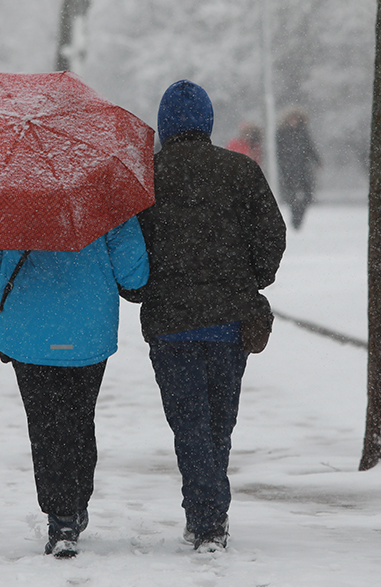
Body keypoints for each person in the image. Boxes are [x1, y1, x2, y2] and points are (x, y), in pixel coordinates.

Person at [121, 80, 286, 552]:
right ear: (208, 123)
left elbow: (132, 255)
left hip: (170, 325)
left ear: (166, 125)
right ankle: (211, 514)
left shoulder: (146, 179)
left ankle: (207, 517)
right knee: (219, 422)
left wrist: (142, 288)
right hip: (230, 323)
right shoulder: (240, 171)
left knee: (189, 423)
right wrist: (251, 277)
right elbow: (271, 236)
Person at [0, 218, 148, 559]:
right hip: (88, 328)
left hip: (29, 329)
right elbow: (133, 274)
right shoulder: (105, 199)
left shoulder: (8, 197)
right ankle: (77, 502)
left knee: (45, 425)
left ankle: (61, 516)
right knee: (80, 419)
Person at [276, 106, 320, 231]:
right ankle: (295, 217)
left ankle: (299, 216)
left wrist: (317, 161)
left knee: (307, 194)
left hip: (303, 168)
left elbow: (310, 147)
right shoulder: (281, 132)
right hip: (288, 169)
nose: (294, 121)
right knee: (291, 195)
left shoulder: (303, 132)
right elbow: (278, 152)